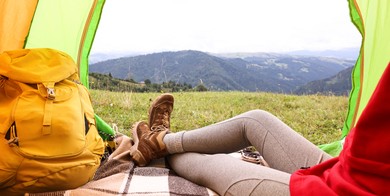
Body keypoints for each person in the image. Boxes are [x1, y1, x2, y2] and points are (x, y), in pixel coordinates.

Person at [129, 62, 390, 195]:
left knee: (214, 162)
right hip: (350, 169)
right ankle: (161, 140)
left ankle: (160, 149)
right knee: (256, 120)